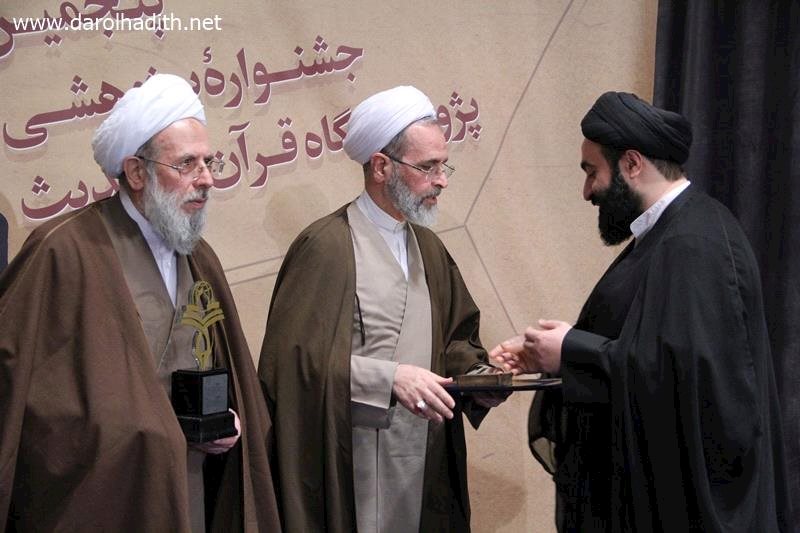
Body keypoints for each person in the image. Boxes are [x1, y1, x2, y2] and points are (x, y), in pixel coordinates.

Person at [491, 91, 791, 532]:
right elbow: (647, 347)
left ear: (632, 164)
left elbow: (690, 384)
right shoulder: (669, 234)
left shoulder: (695, 242)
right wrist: (554, 350)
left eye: (592, 171)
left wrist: (572, 351)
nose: (587, 191)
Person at [0, 74, 281, 532]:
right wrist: (146, 428)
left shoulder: (198, 255)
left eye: (208, 161)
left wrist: (226, 418)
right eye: (186, 164)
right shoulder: (63, 251)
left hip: (191, 486)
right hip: (111, 498)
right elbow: (24, 399)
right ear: (135, 172)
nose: (207, 179)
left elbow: (223, 365)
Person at [258, 85, 505, 532]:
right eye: (427, 167)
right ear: (380, 167)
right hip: (351, 464)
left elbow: (454, 340)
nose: (442, 180)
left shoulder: (428, 248)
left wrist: (481, 377)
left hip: (424, 460)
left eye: (443, 166)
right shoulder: (326, 246)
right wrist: (388, 379)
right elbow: (290, 368)